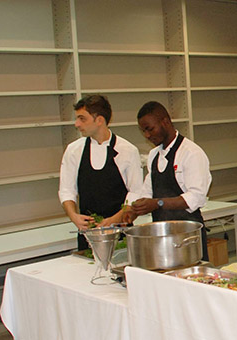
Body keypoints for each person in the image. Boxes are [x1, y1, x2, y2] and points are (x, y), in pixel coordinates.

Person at [124, 101, 212, 260]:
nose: (147, 135)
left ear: (165, 122)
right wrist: (133, 210)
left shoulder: (191, 153)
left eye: (150, 129)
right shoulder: (153, 155)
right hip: (162, 236)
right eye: (143, 131)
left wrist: (158, 203)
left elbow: (196, 197)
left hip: (188, 237)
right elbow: (147, 192)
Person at [58, 95, 143, 250]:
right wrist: (74, 216)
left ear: (99, 120)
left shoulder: (128, 151)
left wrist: (113, 220)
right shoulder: (74, 150)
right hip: (88, 234)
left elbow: (135, 193)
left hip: (121, 233)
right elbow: (66, 190)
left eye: (82, 119)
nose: (77, 124)